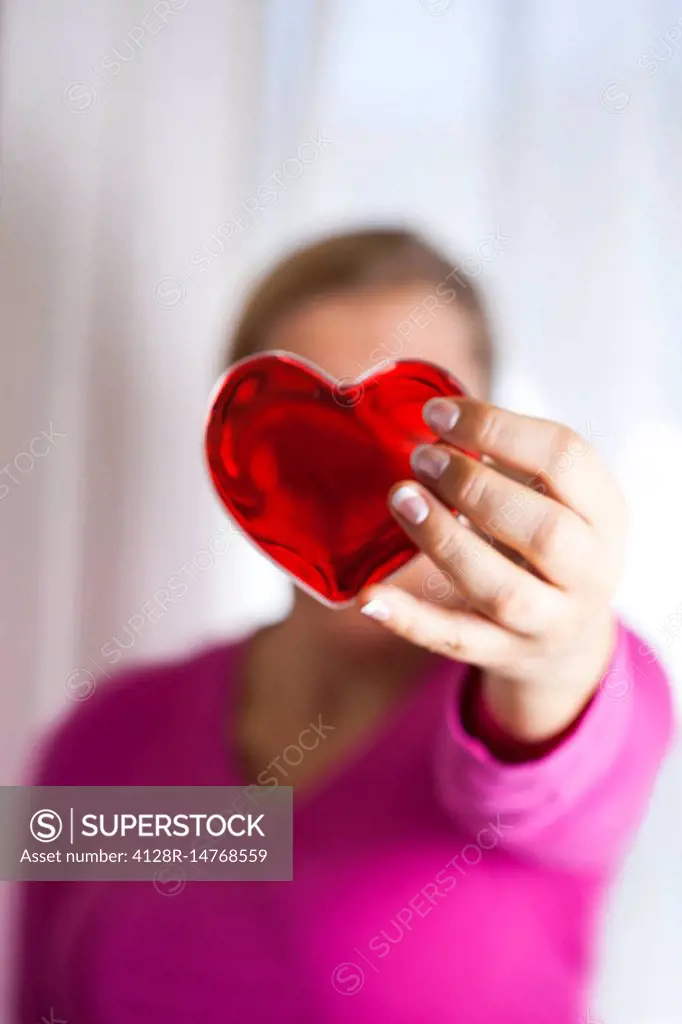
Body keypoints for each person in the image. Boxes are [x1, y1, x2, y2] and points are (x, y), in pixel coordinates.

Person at [15, 228, 674, 1023]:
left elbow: (562, 744)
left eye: (413, 427)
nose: (367, 464)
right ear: (238, 449)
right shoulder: (105, 734)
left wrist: (563, 652)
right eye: (314, 431)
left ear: (484, 447)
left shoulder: (551, 702)